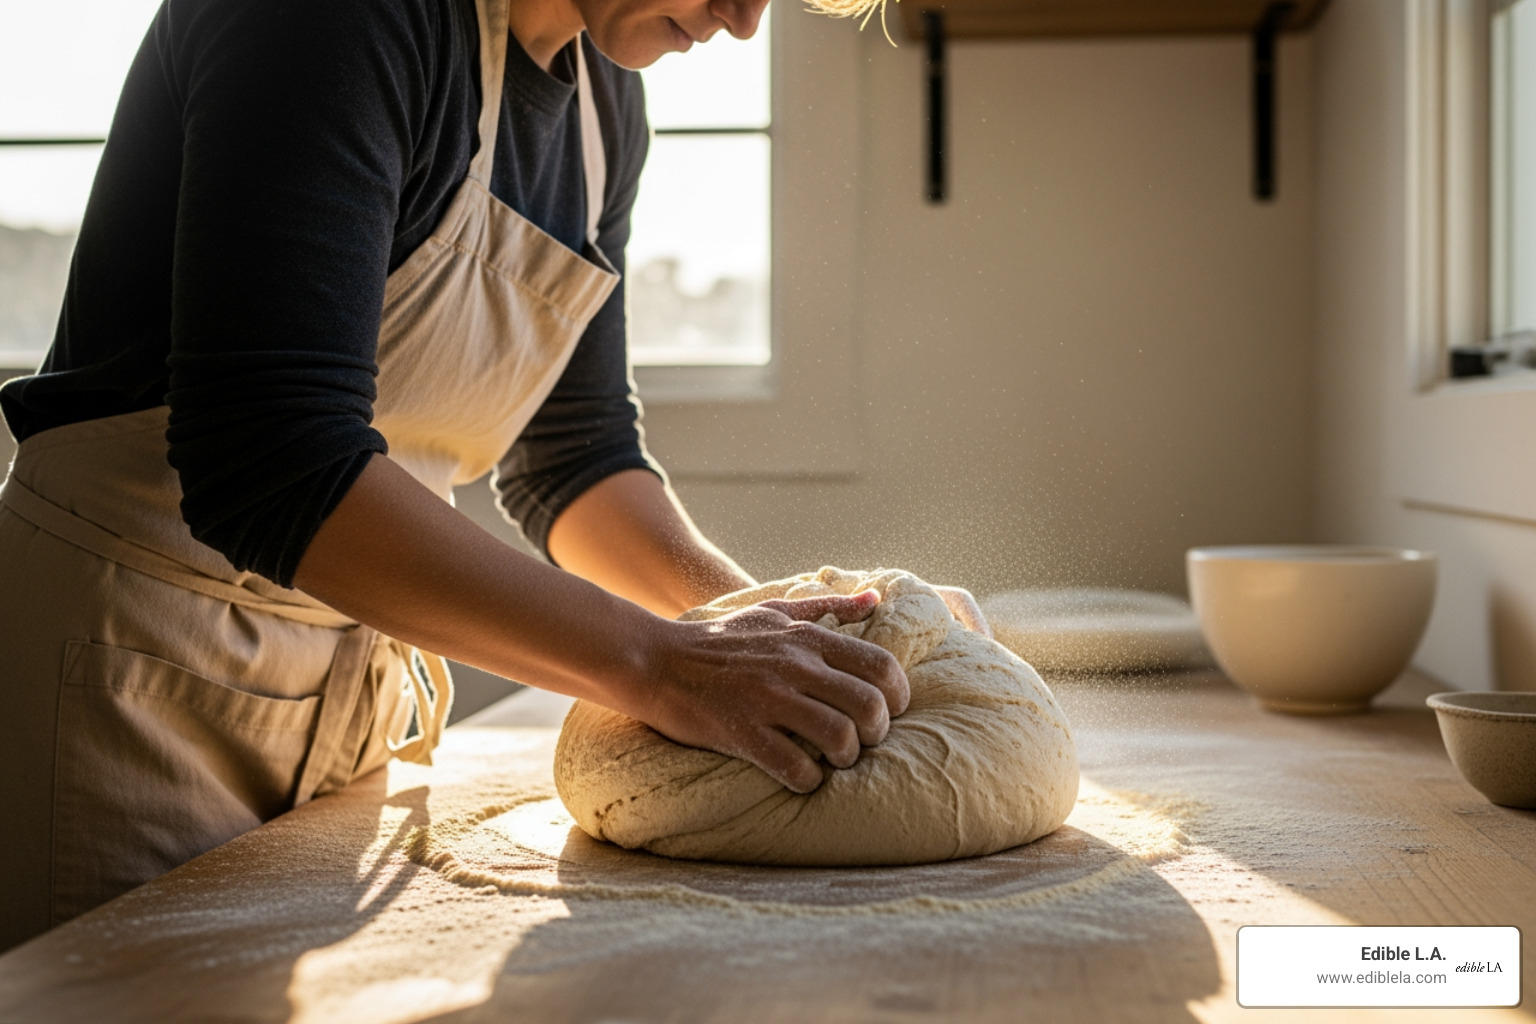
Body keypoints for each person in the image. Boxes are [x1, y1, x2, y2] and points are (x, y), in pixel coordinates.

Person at [0, 0, 986, 950]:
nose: (744, 19)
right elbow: (270, 458)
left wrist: (778, 628)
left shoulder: (605, 100)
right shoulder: (341, 20)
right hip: (122, 681)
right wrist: (656, 663)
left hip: (343, 701)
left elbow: (578, 454)